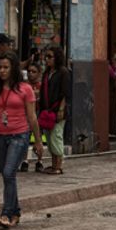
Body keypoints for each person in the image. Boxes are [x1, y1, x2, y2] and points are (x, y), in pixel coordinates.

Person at [0, 51, 42, 228]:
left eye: (6, 67)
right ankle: (15, 211)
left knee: (8, 173)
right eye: (0, 67)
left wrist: (37, 141)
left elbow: (32, 117)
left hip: (19, 135)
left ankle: (6, 214)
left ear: (13, 68)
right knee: (8, 176)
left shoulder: (25, 89)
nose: (2, 71)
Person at [39, 46, 70, 175]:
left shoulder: (63, 72)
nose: (47, 59)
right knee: (49, 138)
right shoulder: (47, 73)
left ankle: (58, 166)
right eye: (46, 57)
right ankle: (52, 164)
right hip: (47, 110)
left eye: (50, 57)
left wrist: (61, 110)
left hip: (58, 109)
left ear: (57, 57)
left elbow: (65, 93)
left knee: (56, 137)